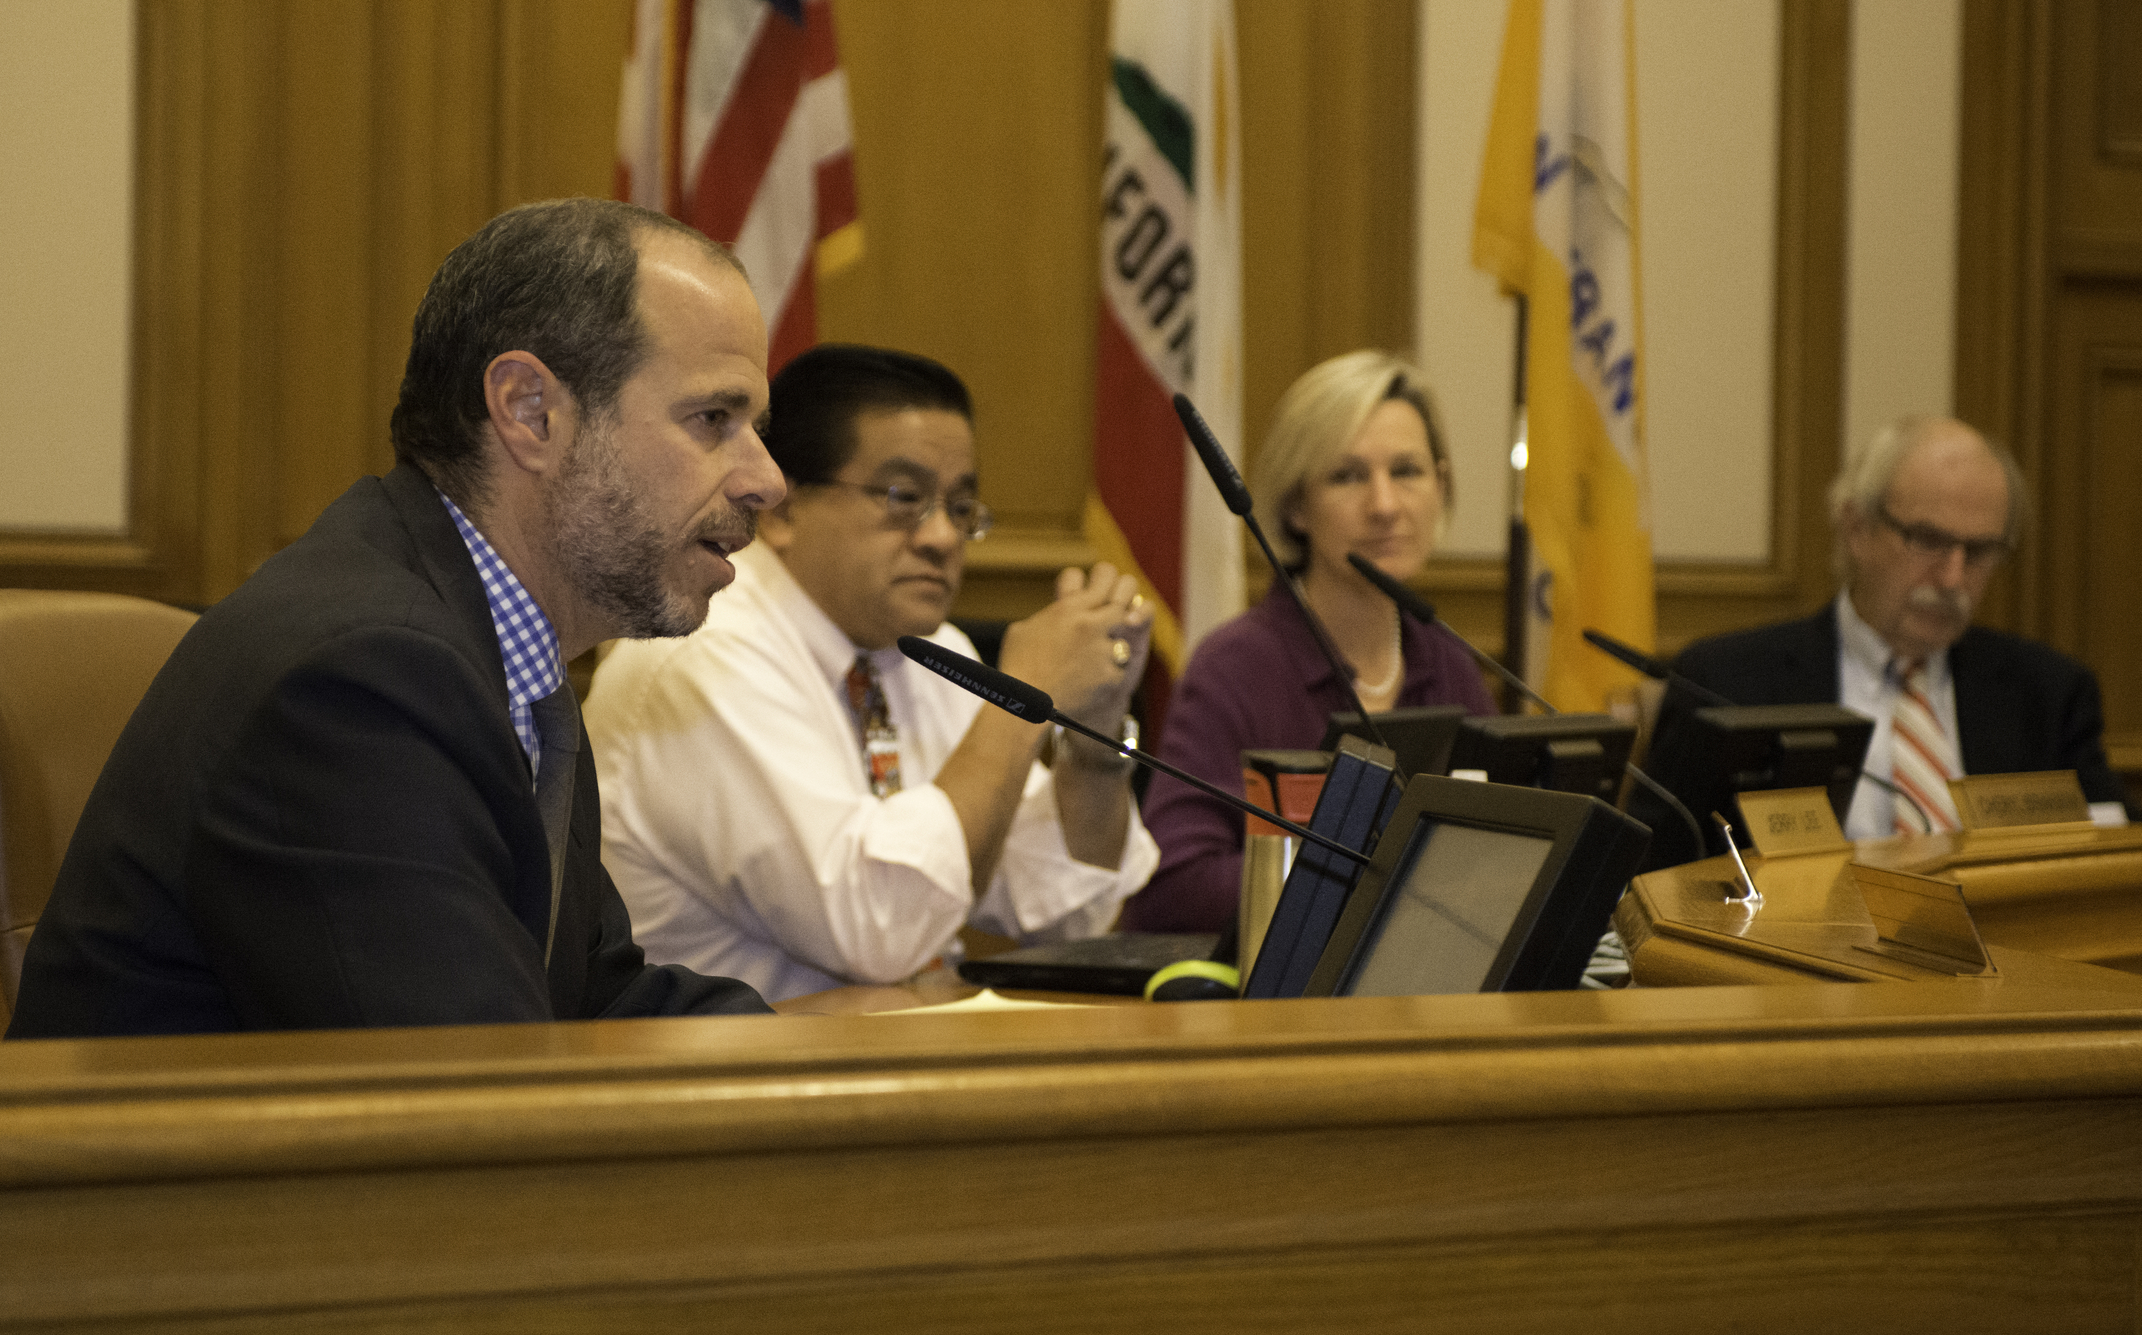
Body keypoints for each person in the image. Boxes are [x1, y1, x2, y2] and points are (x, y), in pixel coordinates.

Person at [10, 199, 778, 1036]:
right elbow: (466, 1091)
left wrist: (874, 1054)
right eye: (714, 420)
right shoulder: (362, 676)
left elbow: (593, 999)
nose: (765, 479)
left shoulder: (500, 653)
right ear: (529, 412)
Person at [584, 345, 1159, 1001]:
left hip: (884, 1070)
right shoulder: (699, 657)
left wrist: (1094, 735)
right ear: (784, 511)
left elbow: (1058, 906)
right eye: (904, 497)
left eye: (961, 506)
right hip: (719, 1089)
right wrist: (1020, 702)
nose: (942, 536)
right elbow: (878, 930)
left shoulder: (935, 653)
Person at [1640, 414, 2131, 864]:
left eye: (1980, 551)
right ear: (1857, 528)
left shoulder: (2047, 692)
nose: (1952, 578)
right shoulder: (1726, 682)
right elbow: (1657, 872)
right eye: (1928, 540)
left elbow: (2116, 847)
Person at [1124, 351, 1495, 934]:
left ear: (1441, 486)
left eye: (1407, 471)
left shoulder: (1444, 661)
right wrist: (1377, 881)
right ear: (1297, 505)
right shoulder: (1237, 666)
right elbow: (1174, 887)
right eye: (1348, 476)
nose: (1385, 506)